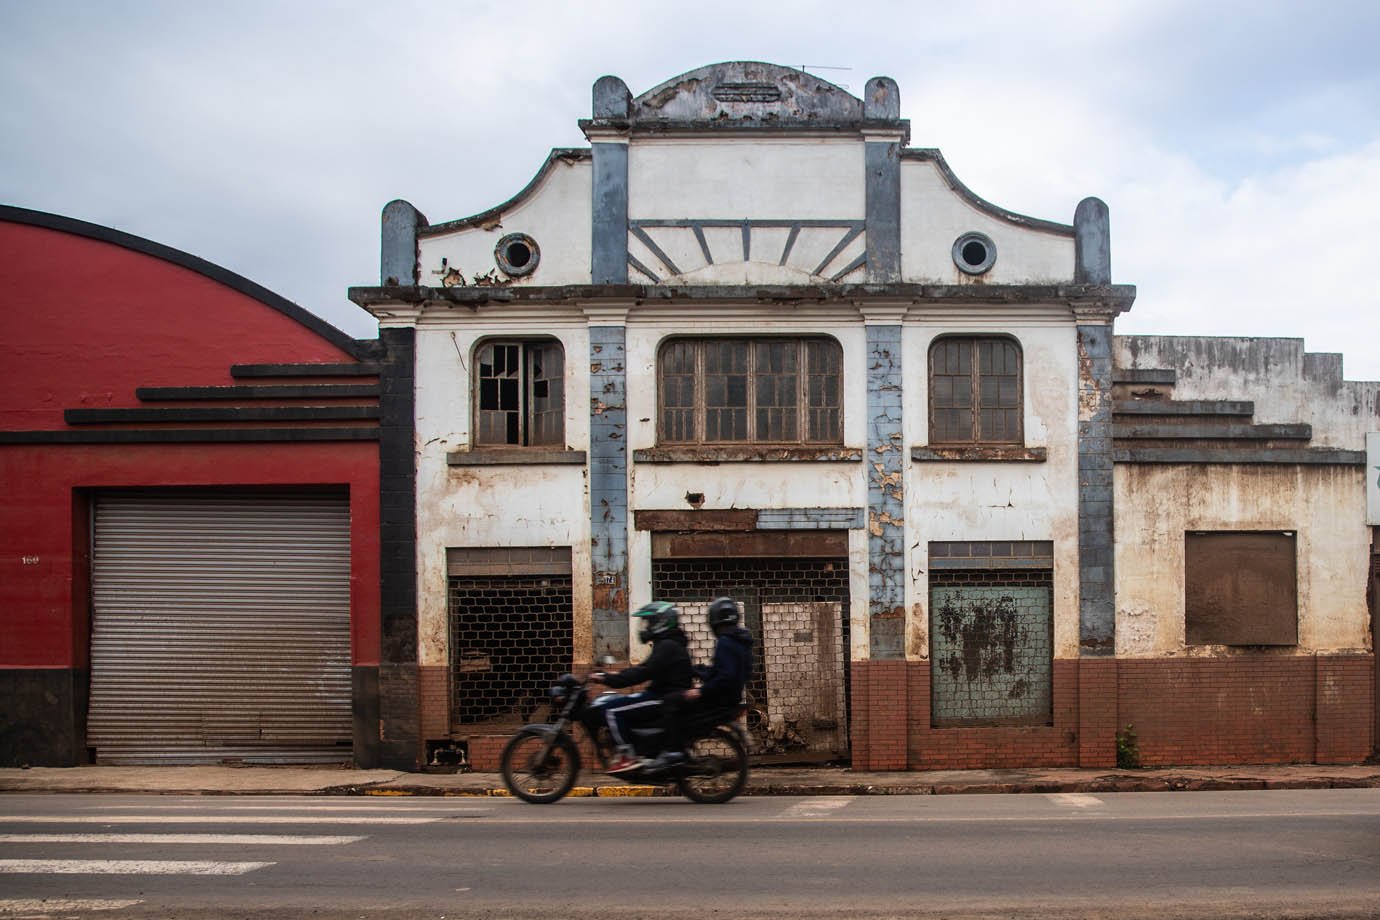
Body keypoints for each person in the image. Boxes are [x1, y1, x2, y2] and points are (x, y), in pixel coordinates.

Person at [642, 595, 754, 771]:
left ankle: (672, 752)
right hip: (730, 697)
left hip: (717, 698)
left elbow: (725, 676)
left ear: (715, 619)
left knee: (670, 701)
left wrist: (701, 691)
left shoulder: (725, 641)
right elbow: (726, 672)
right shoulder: (742, 642)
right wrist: (700, 670)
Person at [588, 600, 692, 773]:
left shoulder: (668, 646)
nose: (646, 628)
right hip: (661, 694)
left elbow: (643, 672)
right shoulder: (668, 644)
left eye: (649, 623)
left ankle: (627, 756)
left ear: (661, 623)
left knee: (611, 710)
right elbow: (645, 669)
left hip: (661, 697)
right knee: (620, 703)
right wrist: (614, 676)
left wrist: (609, 679)